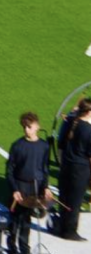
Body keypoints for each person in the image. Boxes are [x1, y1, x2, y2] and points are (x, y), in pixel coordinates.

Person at [5, 111, 51, 254]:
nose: (26, 129)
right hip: (20, 186)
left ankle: (25, 249)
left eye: (29, 126)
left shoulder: (44, 146)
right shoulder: (17, 146)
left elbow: (45, 168)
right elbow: (10, 170)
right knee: (15, 220)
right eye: (24, 127)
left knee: (26, 220)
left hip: (35, 187)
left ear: (37, 126)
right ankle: (12, 249)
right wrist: (15, 190)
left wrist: (46, 187)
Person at [56, 98, 91, 241]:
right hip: (80, 169)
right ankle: (70, 231)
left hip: (66, 165)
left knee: (64, 198)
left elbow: (61, 143)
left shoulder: (70, 122)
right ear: (89, 112)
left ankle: (61, 226)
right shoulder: (88, 130)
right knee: (75, 201)